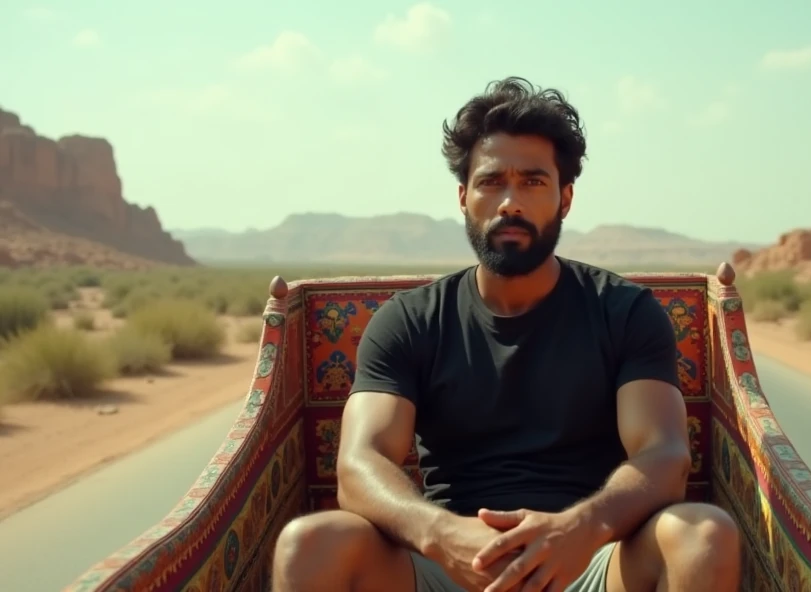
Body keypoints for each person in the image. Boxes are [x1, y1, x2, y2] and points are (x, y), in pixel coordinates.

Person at [272, 77, 741, 592]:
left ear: (565, 198)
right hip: (451, 562)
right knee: (311, 543)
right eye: (492, 181)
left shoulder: (624, 311)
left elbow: (665, 455)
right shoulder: (408, 320)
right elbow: (360, 463)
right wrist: (442, 534)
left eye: (534, 182)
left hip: (589, 560)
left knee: (703, 533)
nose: (510, 203)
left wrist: (578, 529)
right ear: (463, 196)